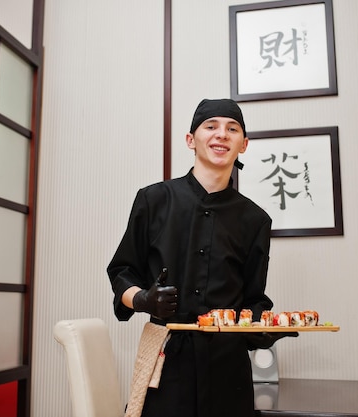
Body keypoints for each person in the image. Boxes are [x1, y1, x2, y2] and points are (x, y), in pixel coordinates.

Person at [107, 98, 293, 417]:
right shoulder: (153, 200)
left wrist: (260, 328)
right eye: (211, 126)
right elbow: (122, 272)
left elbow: (253, 299)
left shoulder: (255, 220)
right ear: (191, 140)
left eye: (232, 129)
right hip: (165, 361)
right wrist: (143, 300)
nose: (221, 134)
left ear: (243, 145)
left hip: (228, 369)